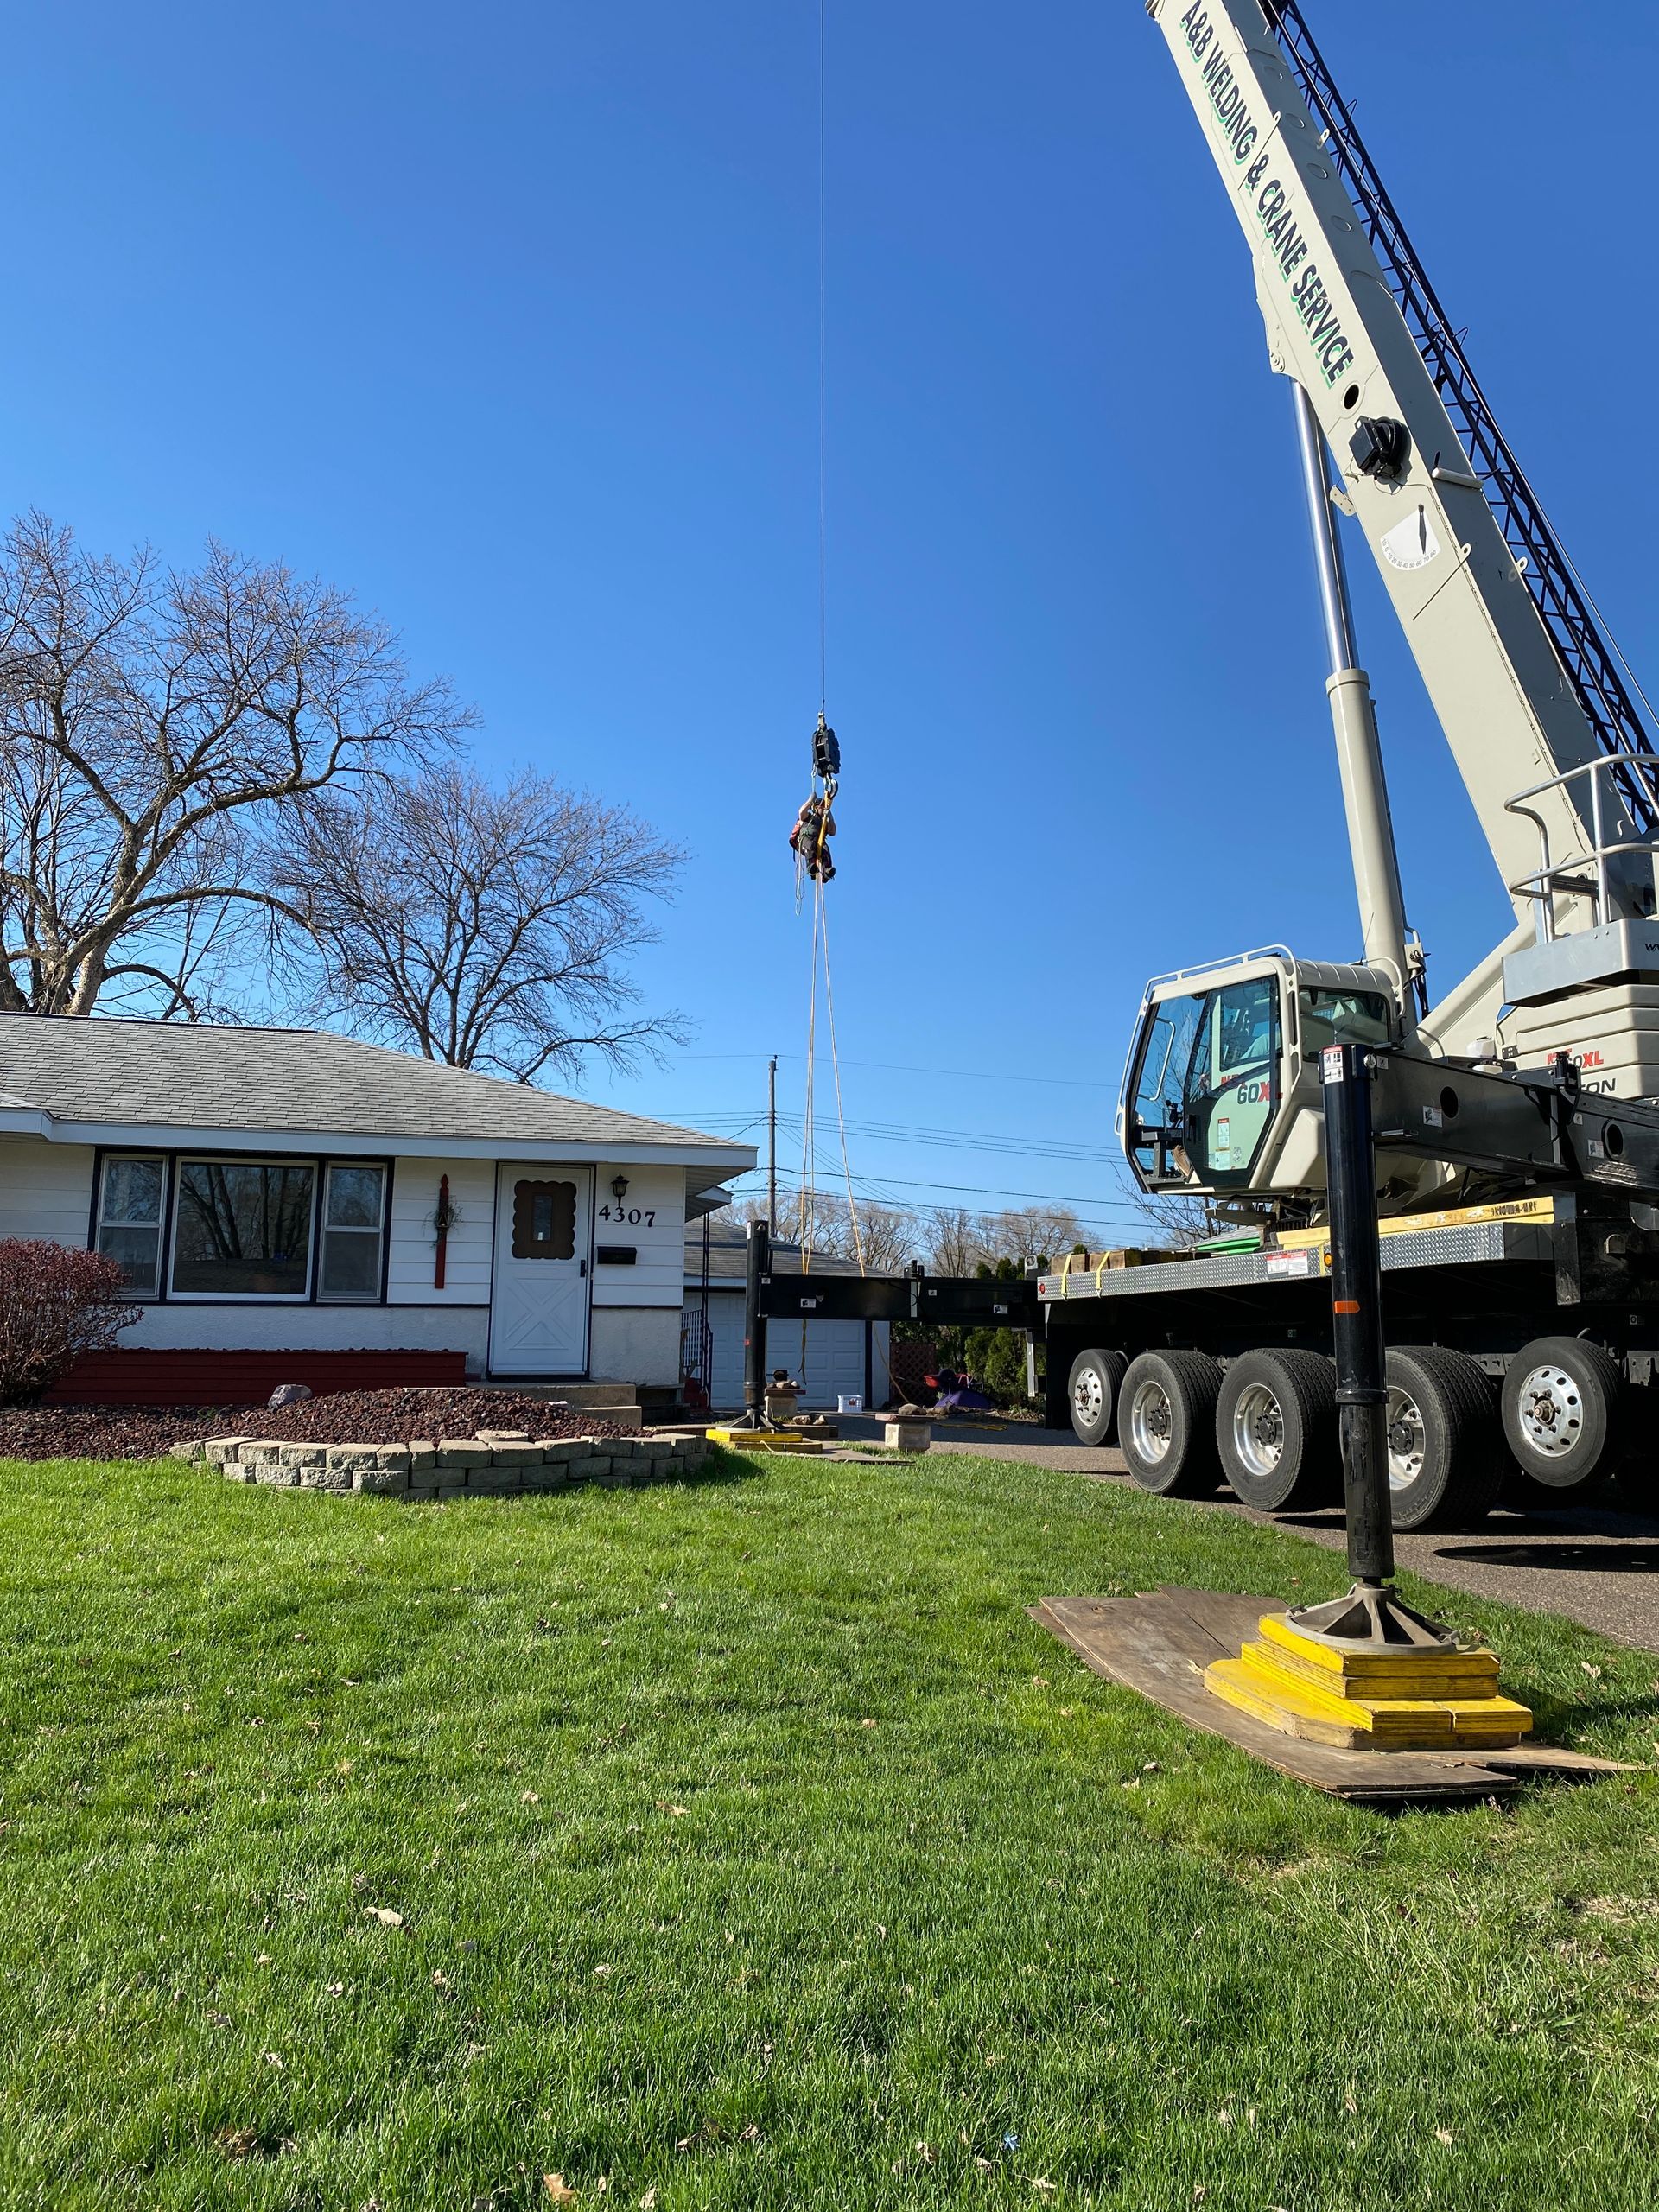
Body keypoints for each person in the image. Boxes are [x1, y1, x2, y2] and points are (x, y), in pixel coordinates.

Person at [790, 793, 836, 881]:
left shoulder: (823, 824)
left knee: (825, 849)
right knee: (810, 845)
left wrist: (830, 816)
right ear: (816, 807)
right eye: (821, 807)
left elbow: (832, 832)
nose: (823, 809)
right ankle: (811, 867)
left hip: (818, 842)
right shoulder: (809, 817)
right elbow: (801, 812)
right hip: (805, 840)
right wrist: (810, 800)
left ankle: (826, 871)